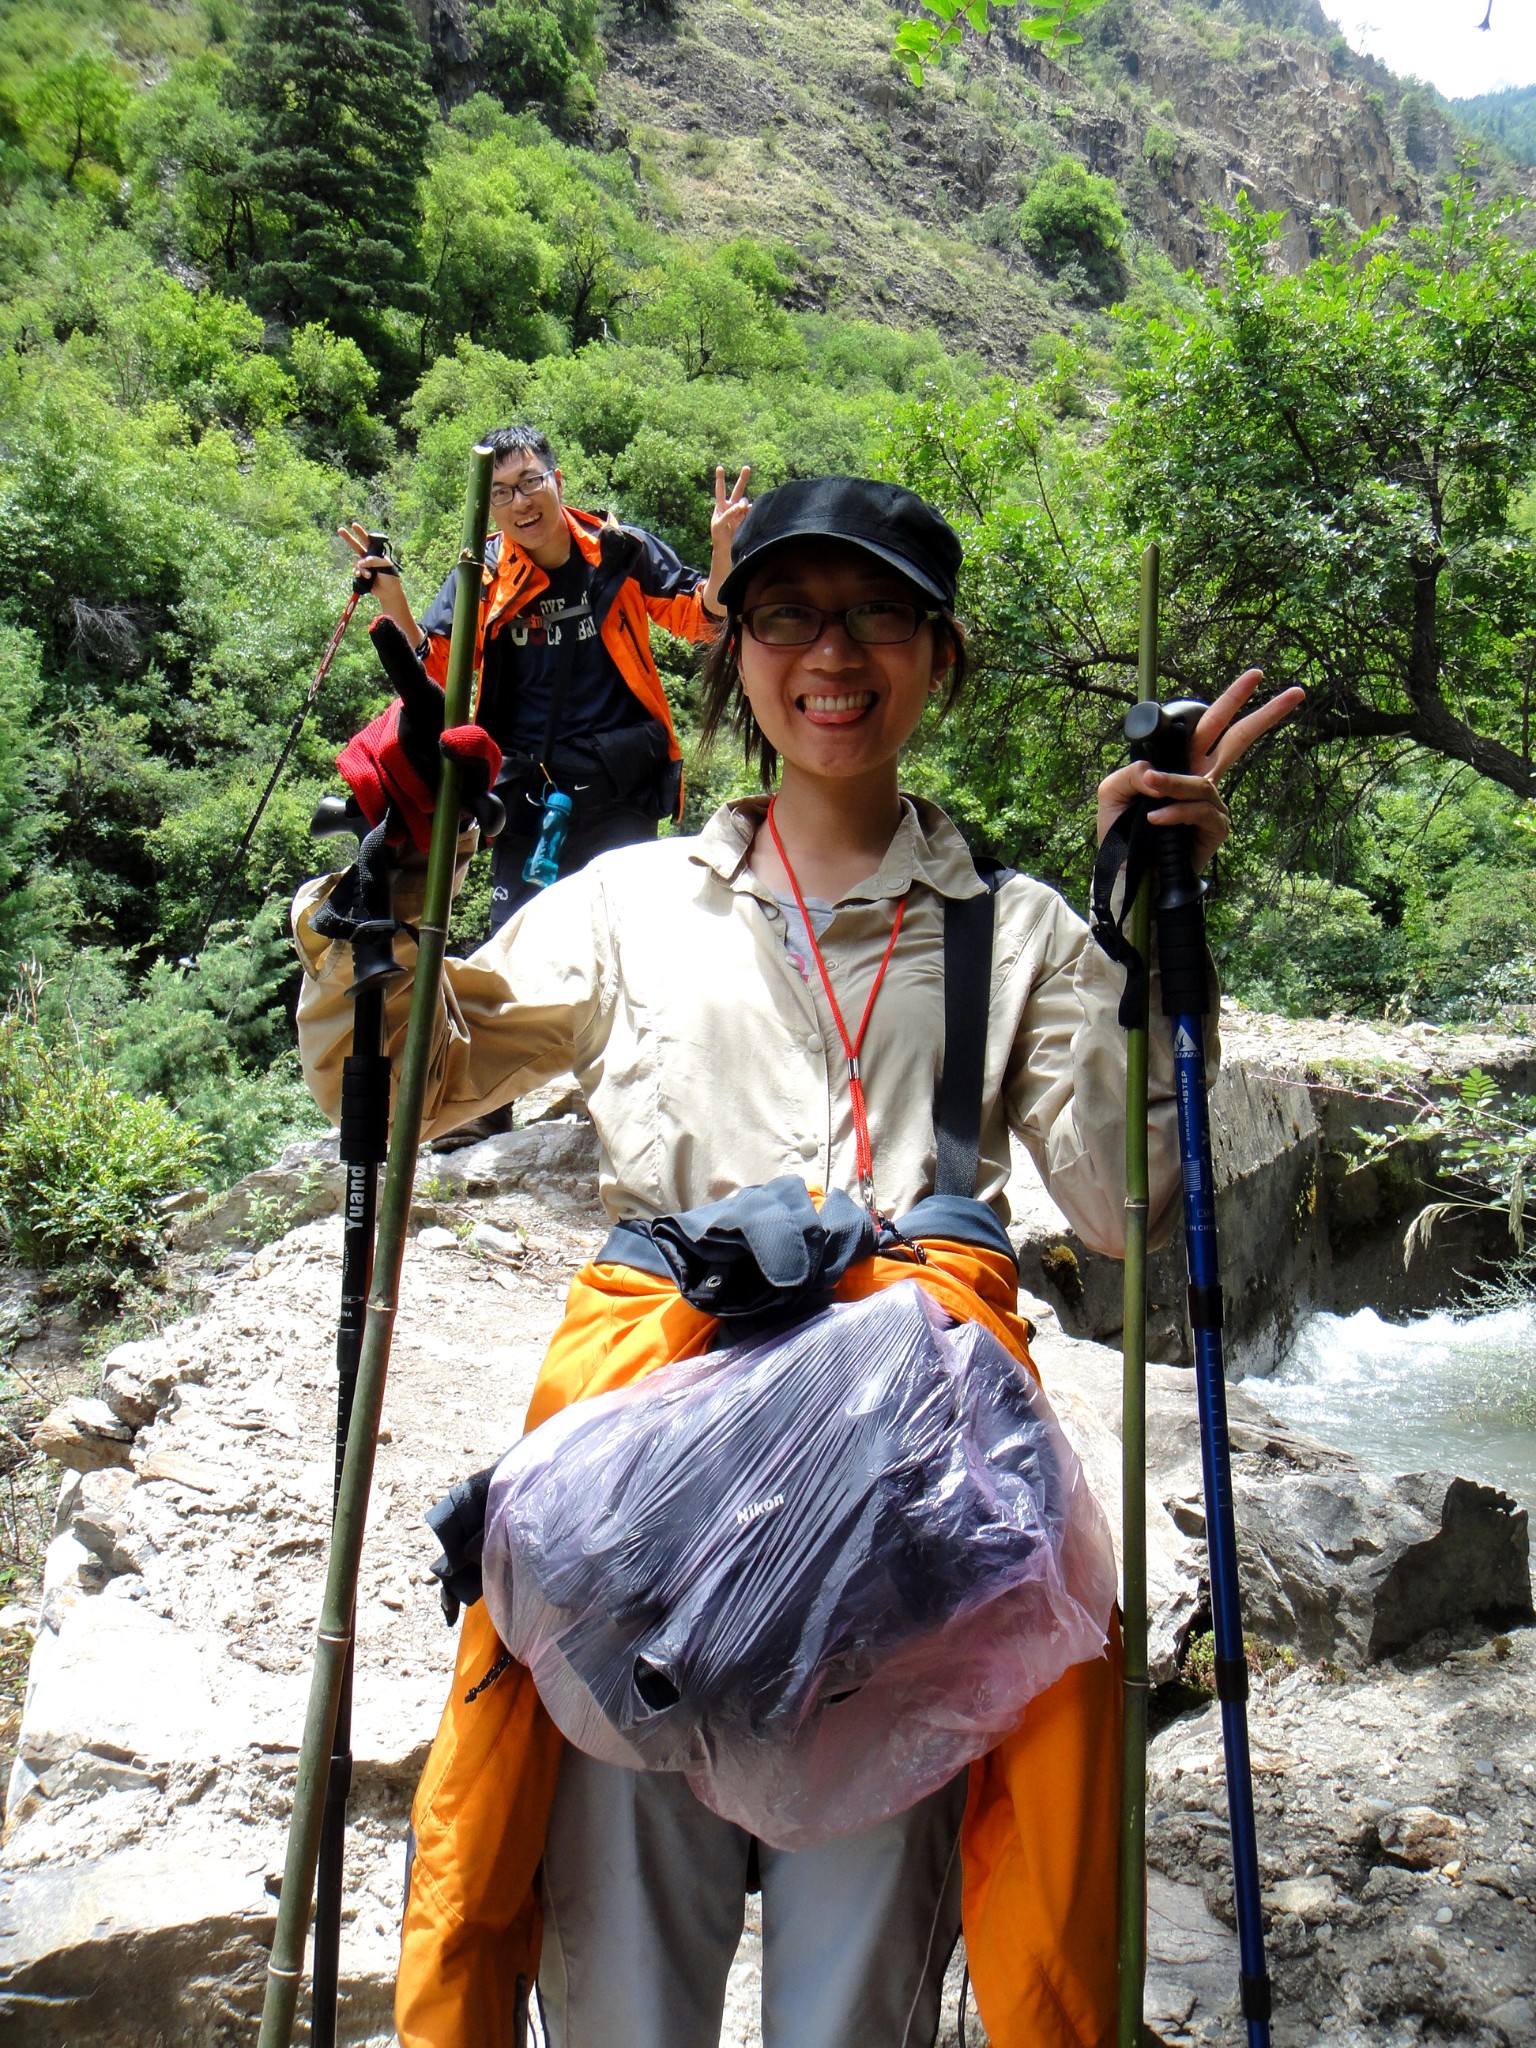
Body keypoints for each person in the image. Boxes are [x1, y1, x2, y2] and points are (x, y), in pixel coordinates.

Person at [293, 475, 1301, 2048]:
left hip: (900, 1539)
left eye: (880, 613)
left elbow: (1126, 1201)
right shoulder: (629, 907)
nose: (834, 653)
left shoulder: (1017, 929)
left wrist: (1152, 937)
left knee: (849, 2023)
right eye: (788, 615)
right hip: (649, 1531)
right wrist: (395, 875)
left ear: (939, 655)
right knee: (623, 2006)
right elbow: (408, 1081)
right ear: (736, 654)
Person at [340, 429, 750, 933]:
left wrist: (722, 551)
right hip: (525, 796)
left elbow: (701, 618)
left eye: (530, 481)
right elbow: (435, 668)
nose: (520, 501)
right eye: (501, 491)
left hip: (618, 784)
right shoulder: (484, 574)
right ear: (488, 507)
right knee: (518, 949)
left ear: (556, 480)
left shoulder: (617, 550)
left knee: (626, 945)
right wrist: (392, 598)